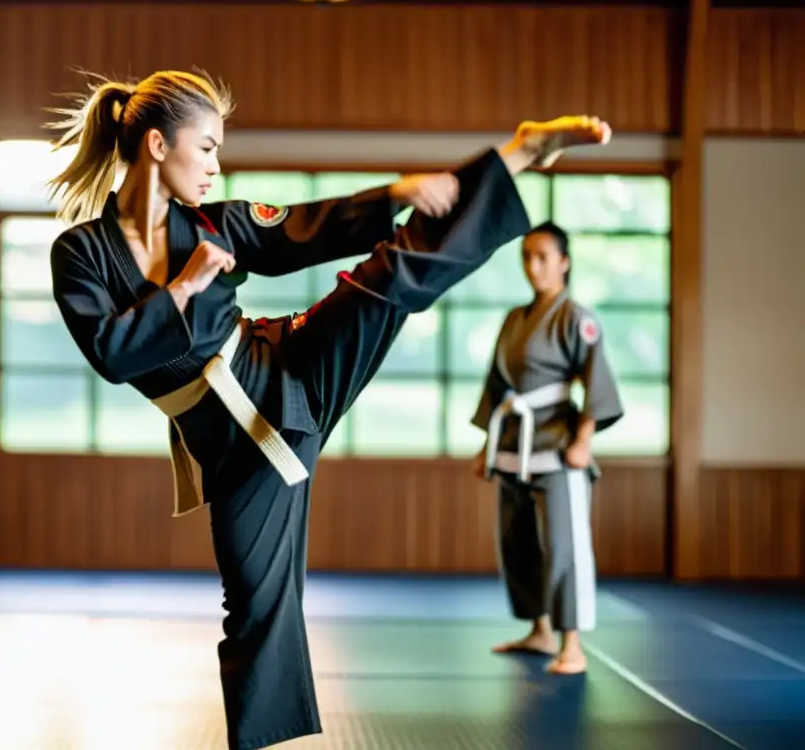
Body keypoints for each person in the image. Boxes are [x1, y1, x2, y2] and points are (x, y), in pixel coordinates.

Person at [46, 68, 611, 749]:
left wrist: (396, 193)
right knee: (257, 605)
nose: (217, 167)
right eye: (207, 148)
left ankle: (517, 155)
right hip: (235, 451)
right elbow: (112, 353)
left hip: (289, 369)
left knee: (392, 275)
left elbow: (304, 230)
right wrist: (187, 285)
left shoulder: (217, 223)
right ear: (160, 146)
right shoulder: (79, 253)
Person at [471, 221, 624, 676]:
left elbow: (596, 378)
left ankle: (571, 643)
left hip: (558, 447)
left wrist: (584, 439)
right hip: (514, 445)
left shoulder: (578, 317)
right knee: (516, 543)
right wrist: (487, 444)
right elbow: (497, 385)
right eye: (526, 257)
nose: (533, 266)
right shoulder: (513, 319)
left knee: (563, 546)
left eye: (542, 256)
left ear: (564, 262)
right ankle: (539, 630)